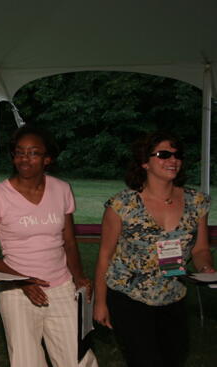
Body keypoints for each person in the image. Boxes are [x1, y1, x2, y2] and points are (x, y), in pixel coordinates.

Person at [93, 131, 215, 367]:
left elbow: (200, 249)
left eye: (177, 155)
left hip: (173, 295)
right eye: (164, 154)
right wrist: (100, 302)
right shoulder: (122, 204)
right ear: (144, 162)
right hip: (130, 297)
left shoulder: (197, 202)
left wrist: (206, 267)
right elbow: (104, 256)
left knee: (174, 358)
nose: (173, 160)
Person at [0, 125, 97, 367]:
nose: (25, 158)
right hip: (17, 291)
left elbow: (69, 241)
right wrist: (22, 281)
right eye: (20, 152)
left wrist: (79, 276)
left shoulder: (62, 189)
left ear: (47, 159)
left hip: (61, 286)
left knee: (77, 359)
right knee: (26, 361)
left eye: (33, 153)